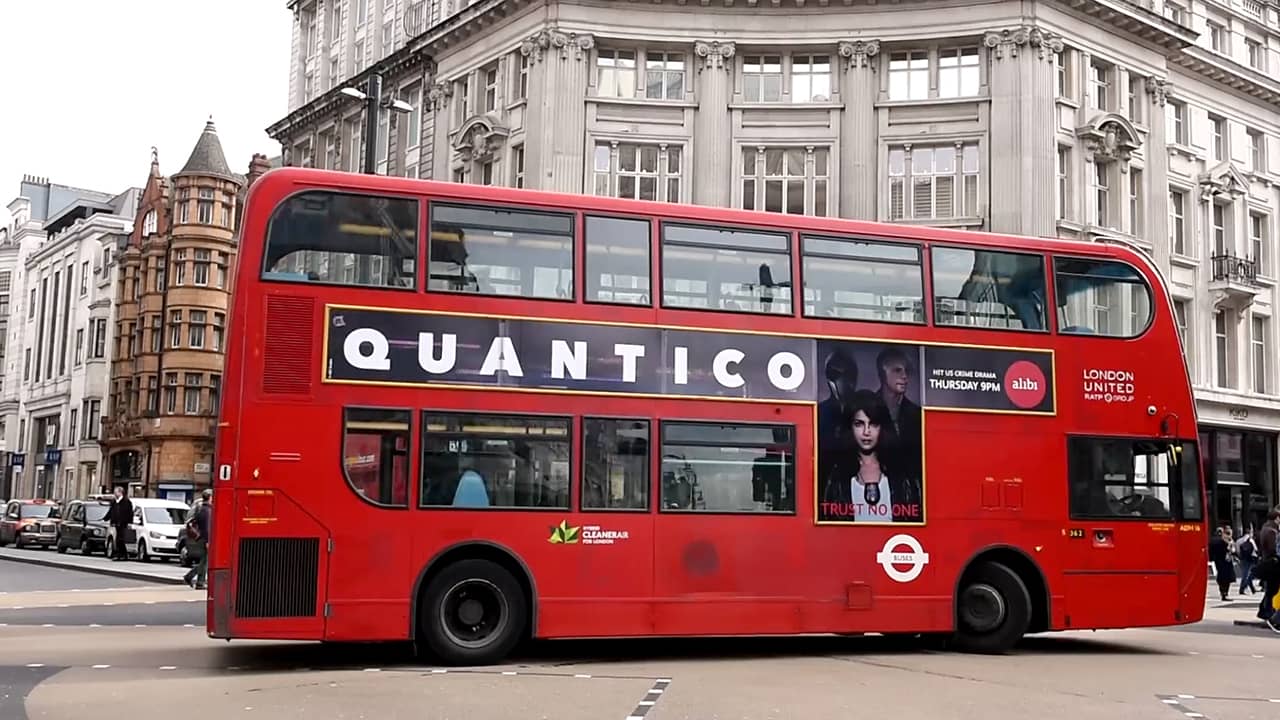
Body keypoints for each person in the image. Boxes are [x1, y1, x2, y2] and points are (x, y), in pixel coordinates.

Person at [821, 389, 922, 523]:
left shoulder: (903, 474)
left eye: (873, 424)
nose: (866, 432)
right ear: (850, 427)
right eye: (859, 424)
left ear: (882, 427)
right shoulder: (836, 476)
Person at [874, 346, 922, 484]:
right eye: (897, 370)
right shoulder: (867, 409)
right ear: (882, 374)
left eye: (906, 371)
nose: (904, 376)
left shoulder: (917, 414)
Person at [1254, 509, 1280, 630]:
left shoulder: (1265, 528)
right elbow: (1273, 548)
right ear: (1277, 518)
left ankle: (1264, 611)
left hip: (1268, 562)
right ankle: (1269, 614)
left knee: (1271, 589)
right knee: (1272, 589)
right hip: (1273, 564)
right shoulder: (1271, 531)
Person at [184, 489, 212, 589]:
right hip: (204, 539)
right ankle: (193, 578)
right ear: (210, 497)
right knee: (204, 562)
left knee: (204, 561)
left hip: (200, 538)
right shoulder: (207, 510)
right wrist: (208, 541)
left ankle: (198, 581)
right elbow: (207, 527)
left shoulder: (201, 509)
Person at [105, 485, 133, 561]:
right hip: (116, 523)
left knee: (120, 539)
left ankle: (121, 555)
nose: (115, 494)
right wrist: (106, 518)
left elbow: (130, 513)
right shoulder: (114, 502)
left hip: (123, 523)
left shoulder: (126, 502)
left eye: (116, 492)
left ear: (120, 493)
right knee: (118, 539)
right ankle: (122, 555)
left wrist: (129, 522)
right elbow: (111, 511)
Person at [1208, 526, 1235, 601]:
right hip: (1226, 561)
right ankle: (1225, 593)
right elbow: (1231, 550)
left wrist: (1211, 558)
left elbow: (1210, 550)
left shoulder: (1212, 540)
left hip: (1218, 560)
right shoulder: (1225, 540)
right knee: (1227, 577)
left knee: (1221, 576)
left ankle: (1222, 592)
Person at [1237, 525, 1259, 595]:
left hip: (1242, 558)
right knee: (1247, 574)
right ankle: (1242, 588)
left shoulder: (1239, 540)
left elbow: (1237, 550)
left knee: (1245, 573)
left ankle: (1251, 588)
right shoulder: (1251, 540)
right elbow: (1255, 549)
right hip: (1250, 559)